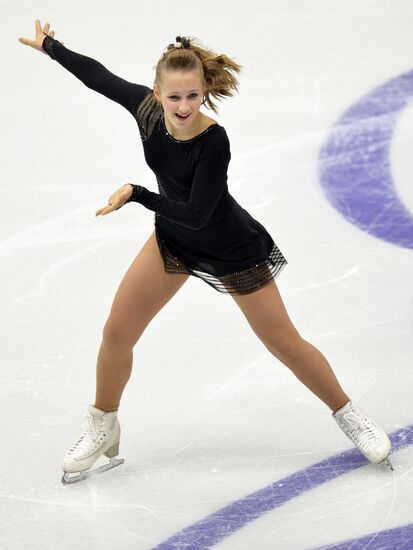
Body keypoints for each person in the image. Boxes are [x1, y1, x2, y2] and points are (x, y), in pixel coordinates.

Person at [19, 20, 393, 483]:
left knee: (285, 343)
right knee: (117, 332)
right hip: (173, 241)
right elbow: (99, 76)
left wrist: (136, 192)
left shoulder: (214, 142)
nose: (182, 106)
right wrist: (52, 47)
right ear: (156, 93)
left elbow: (197, 213)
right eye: (173, 97)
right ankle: (103, 426)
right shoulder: (147, 111)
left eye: (192, 96)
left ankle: (350, 416)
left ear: (204, 92)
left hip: (230, 247)